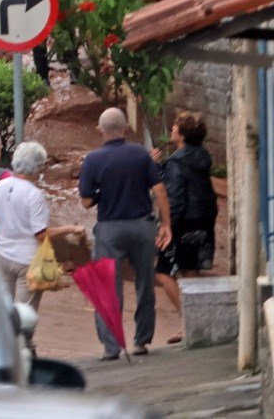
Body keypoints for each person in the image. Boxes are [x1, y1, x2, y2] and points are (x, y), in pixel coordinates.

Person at [79, 107, 173, 360]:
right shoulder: (141, 155)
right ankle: (141, 341)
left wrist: (102, 192)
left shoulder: (92, 160)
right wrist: (166, 224)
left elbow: (86, 201)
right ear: (125, 128)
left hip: (109, 228)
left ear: (100, 130)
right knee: (145, 283)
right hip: (142, 226)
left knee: (108, 286)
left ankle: (111, 347)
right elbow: (160, 189)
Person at [0, 142, 81, 336]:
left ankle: (1, 349)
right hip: (26, 261)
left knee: (1, 312)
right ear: (37, 167)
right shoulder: (33, 194)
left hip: (0, 255)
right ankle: (25, 350)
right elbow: (40, 234)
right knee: (25, 315)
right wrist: (69, 228)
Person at [152, 111, 218, 343]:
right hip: (203, 221)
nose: (171, 129)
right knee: (191, 271)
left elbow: (176, 196)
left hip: (183, 223)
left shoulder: (177, 162)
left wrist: (167, 226)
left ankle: (189, 321)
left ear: (182, 134)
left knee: (163, 272)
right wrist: (162, 168)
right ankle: (200, 323)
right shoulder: (201, 157)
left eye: (175, 126)